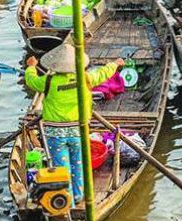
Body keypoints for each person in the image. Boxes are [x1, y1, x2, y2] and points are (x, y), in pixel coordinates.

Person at [24, 44, 120, 207]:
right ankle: (77, 195)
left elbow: (31, 81)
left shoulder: (48, 81)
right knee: (78, 164)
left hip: (55, 134)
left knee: (62, 168)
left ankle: (67, 202)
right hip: (78, 131)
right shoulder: (85, 78)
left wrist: (31, 67)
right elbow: (102, 73)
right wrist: (115, 64)